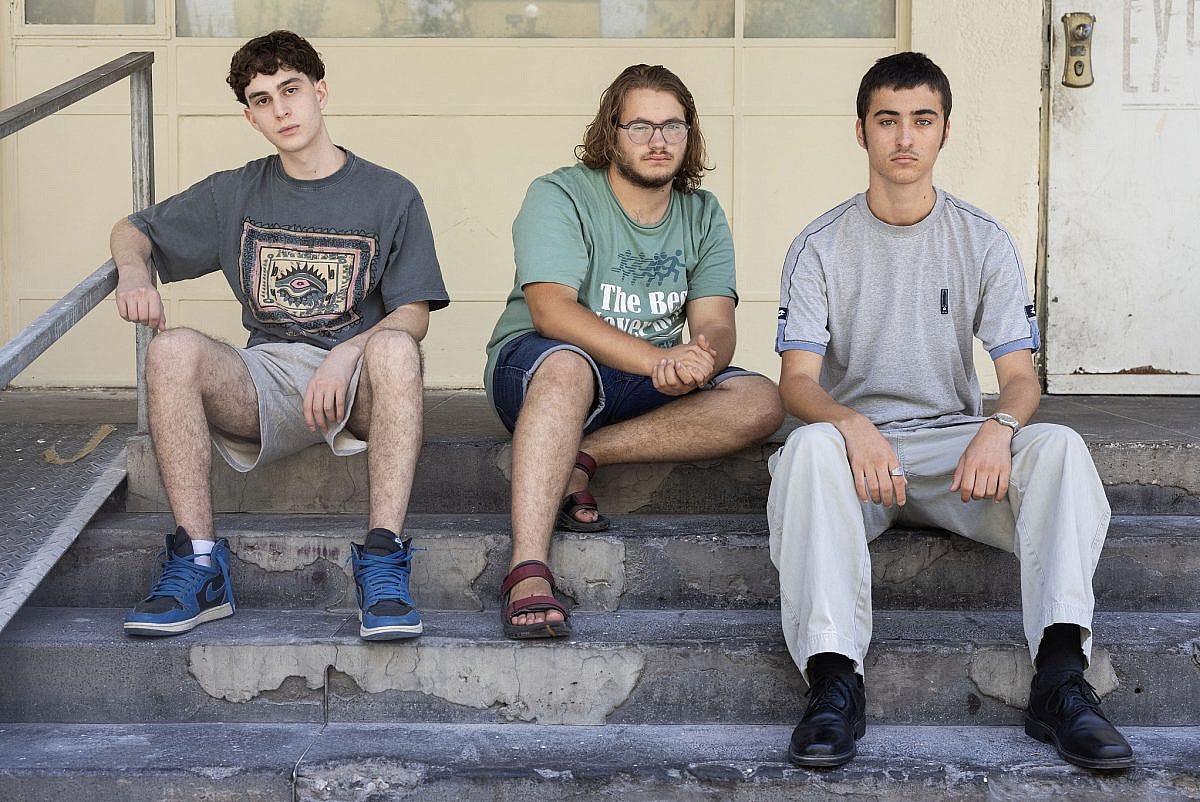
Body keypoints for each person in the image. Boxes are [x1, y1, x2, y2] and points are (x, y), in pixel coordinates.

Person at [768, 52, 1134, 770]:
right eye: (888, 121)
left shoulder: (983, 239)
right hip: (859, 460)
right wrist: (851, 425)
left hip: (956, 455)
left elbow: (1020, 378)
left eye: (921, 120)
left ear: (943, 133)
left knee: (1057, 446)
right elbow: (797, 383)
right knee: (807, 449)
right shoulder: (819, 245)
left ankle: (1061, 680)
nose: (904, 137)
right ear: (861, 132)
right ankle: (835, 682)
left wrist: (999, 429)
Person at [112, 30, 448, 641]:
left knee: (396, 347)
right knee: (171, 350)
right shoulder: (237, 191)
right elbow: (131, 229)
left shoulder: (390, 194)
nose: (281, 110)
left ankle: (382, 558)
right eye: (262, 100)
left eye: (290, 90)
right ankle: (200, 564)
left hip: (359, 385)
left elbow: (414, 313)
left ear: (320, 91)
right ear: (250, 116)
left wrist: (347, 355)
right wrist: (135, 271)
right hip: (265, 382)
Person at [484, 64, 783, 640]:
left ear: (690, 135)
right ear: (610, 132)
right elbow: (552, 311)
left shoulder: (702, 213)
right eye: (641, 125)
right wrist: (657, 360)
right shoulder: (561, 193)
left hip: (643, 376)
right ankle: (527, 567)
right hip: (541, 365)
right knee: (569, 366)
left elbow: (716, 322)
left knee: (760, 399)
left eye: (673, 125)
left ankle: (582, 456)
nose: (658, 140)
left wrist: (703, 358)